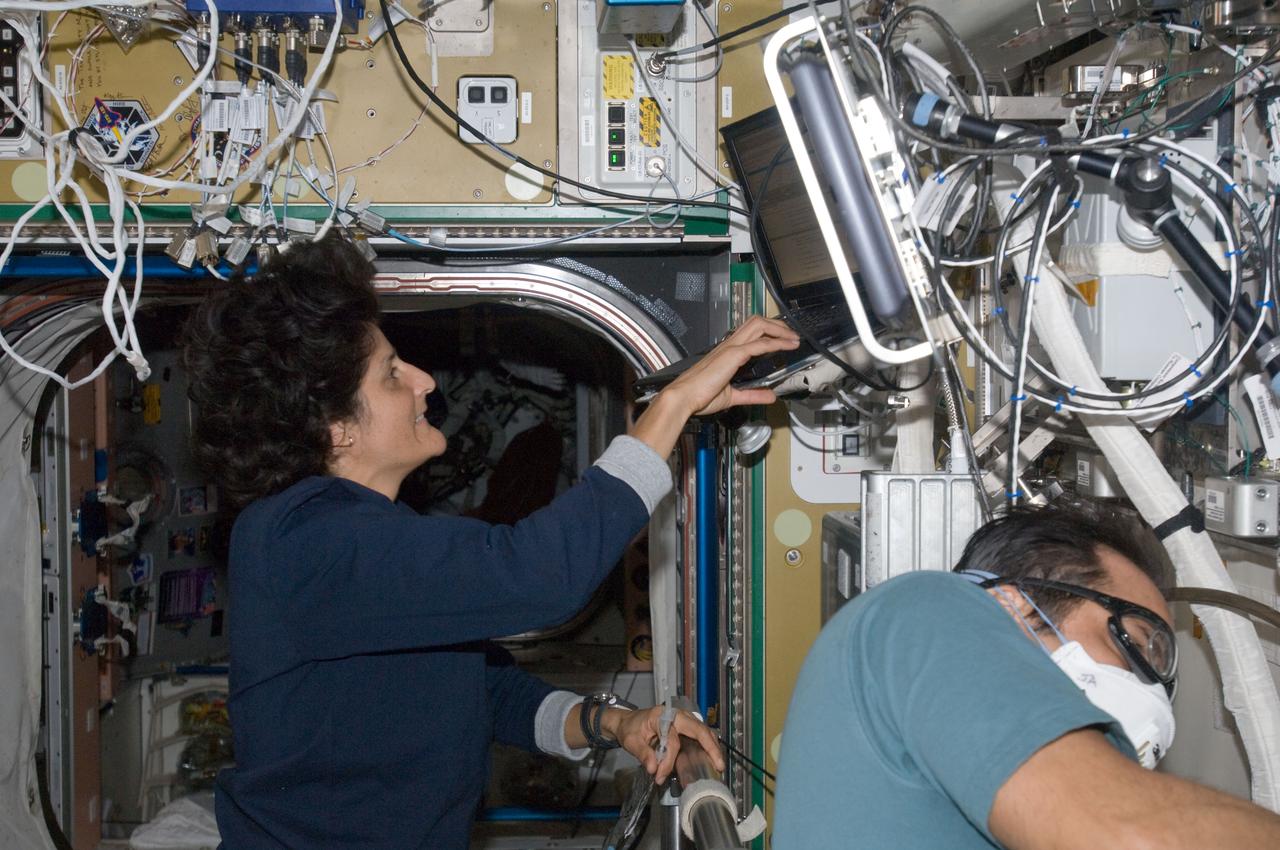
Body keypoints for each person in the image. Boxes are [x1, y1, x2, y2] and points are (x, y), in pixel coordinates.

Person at [181, 233, 801, 849]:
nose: (424, 380)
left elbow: (476, 687)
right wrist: (673, 405)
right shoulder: (299, 542)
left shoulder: (354, 534)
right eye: (392, 374)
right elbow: (538, 577)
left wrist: (612, 722)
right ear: (337, 427)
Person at [772, 501, 1280, 849]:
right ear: (1016, 607)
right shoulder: (927, 611)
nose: (1151, 696)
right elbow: (1128, 833)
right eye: (1136, 644)